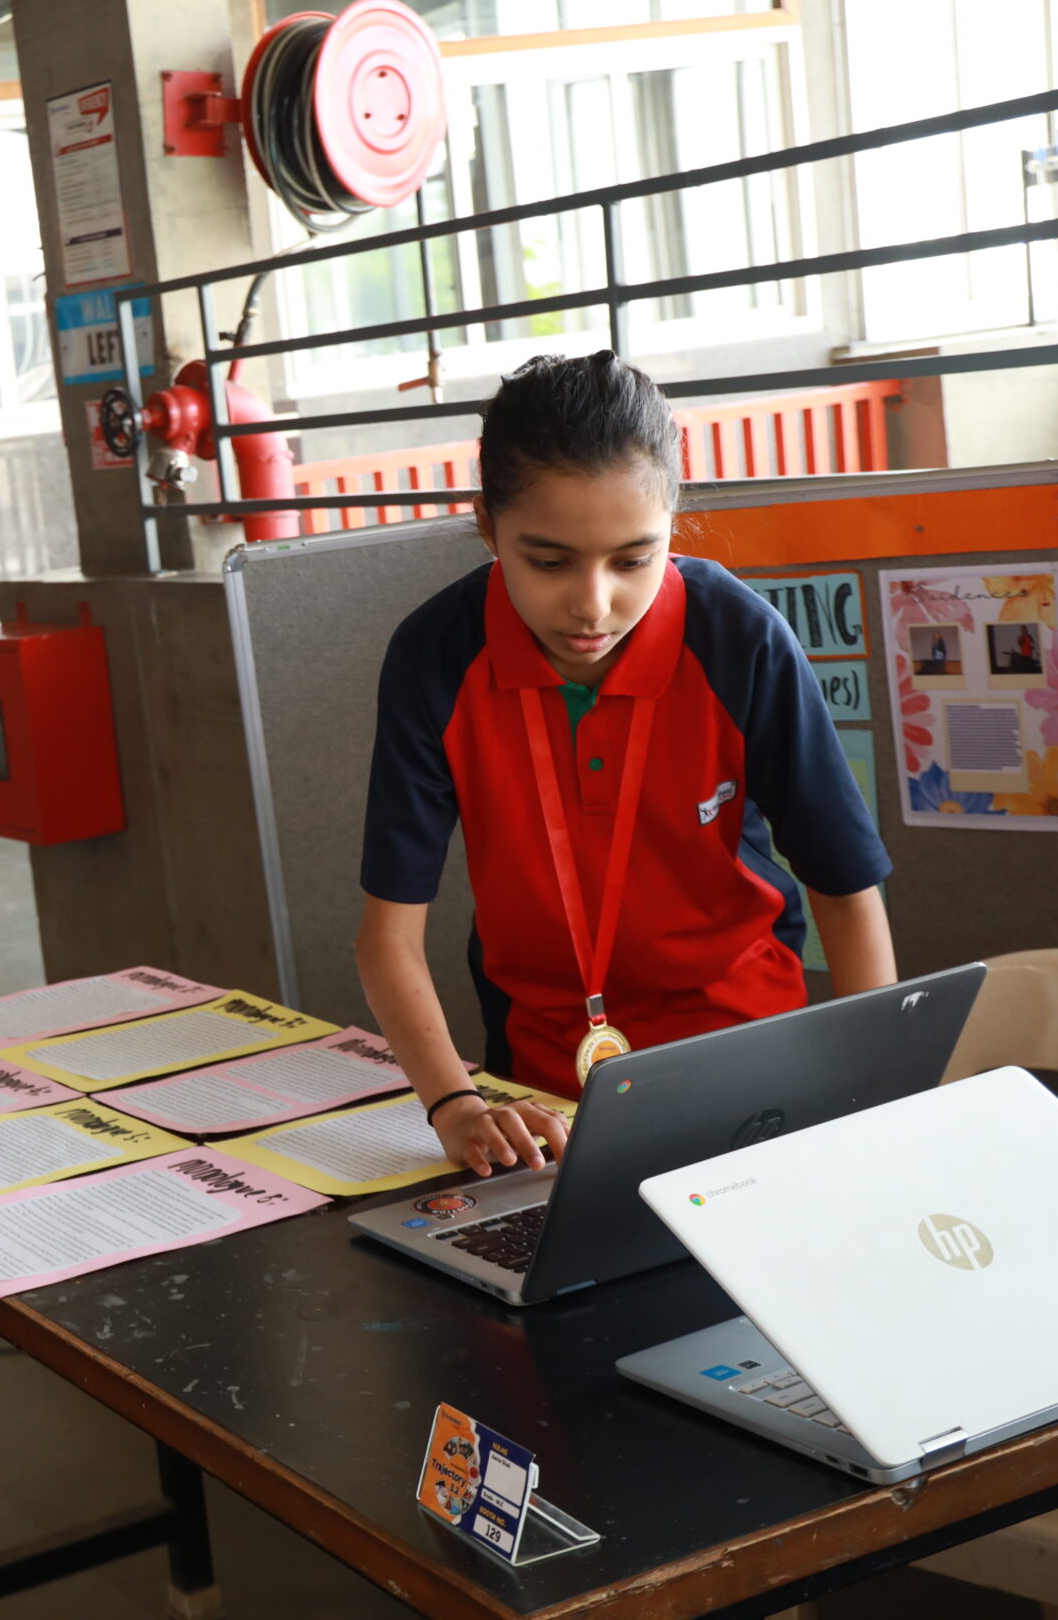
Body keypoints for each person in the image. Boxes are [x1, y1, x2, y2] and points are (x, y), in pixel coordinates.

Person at [355, 352, 895, 1178]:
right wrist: (457, 1104)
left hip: (748, 1061)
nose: (592, 603)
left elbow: (846, 891)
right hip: (542, 1095)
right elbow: (387, 937)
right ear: (486, 524)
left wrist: (874, 1099)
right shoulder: (434, 656)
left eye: (634, 559)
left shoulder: (738, 638)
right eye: (548, 561)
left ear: (672, 517)